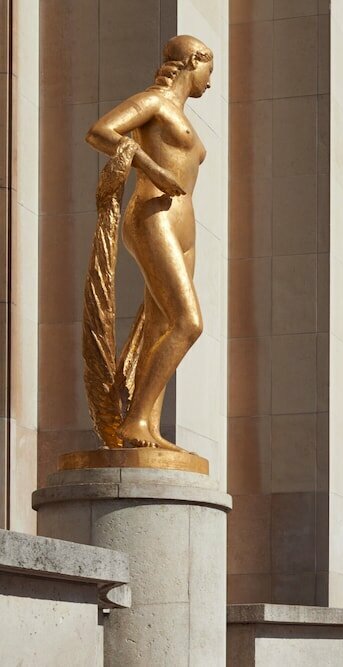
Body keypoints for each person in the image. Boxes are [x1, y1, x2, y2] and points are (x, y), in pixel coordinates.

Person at [84, 35, 214, 451]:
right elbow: (101, 132)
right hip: (152, 215)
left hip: (183, 226)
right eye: (210, 71)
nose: (210, 82)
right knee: (188, 322)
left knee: (160, 326)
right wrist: (153, 169)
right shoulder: (154, 102)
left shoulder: (183, 115)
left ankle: (149, 430)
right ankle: (134, 419)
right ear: (194, 62)